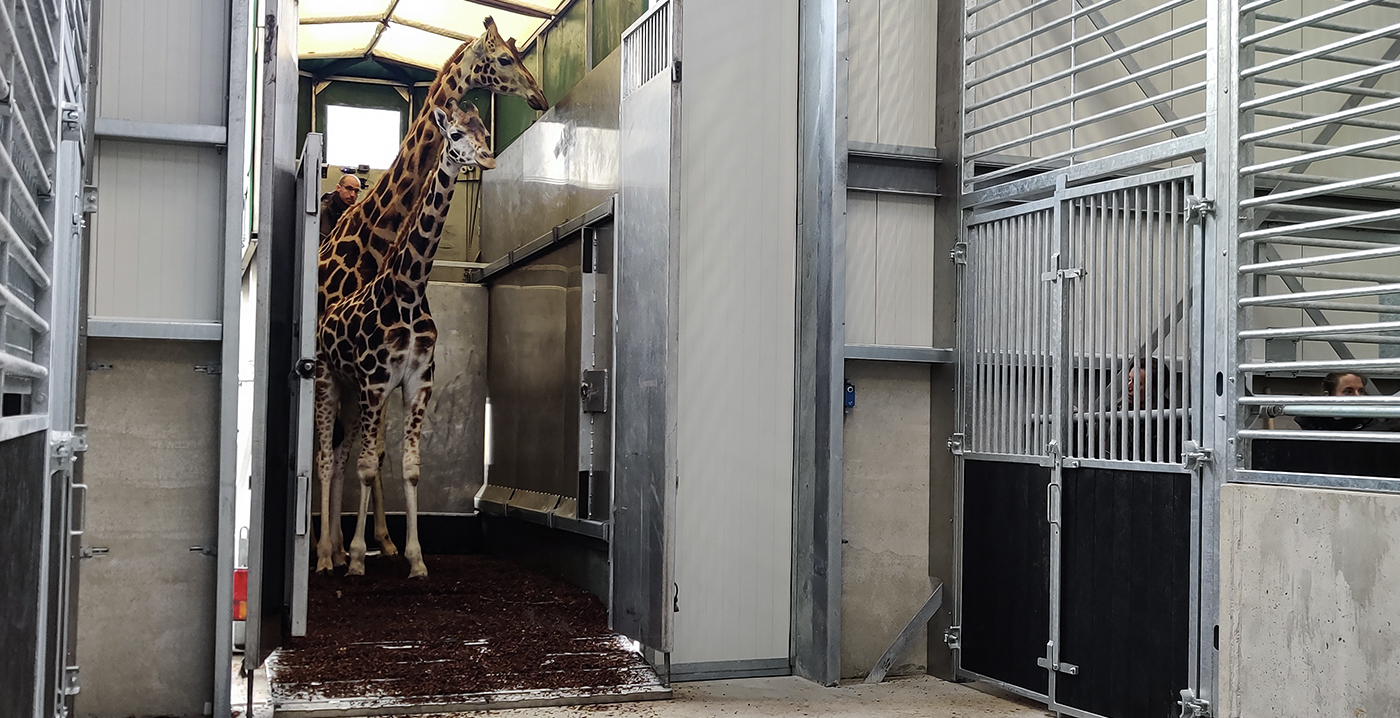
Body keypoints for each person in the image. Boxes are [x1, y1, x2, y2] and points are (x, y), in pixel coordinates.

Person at [1297, 372, 1372, 431]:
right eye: (1348, 392)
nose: (1357, 397)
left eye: (1361, 391)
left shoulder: (1372, 425)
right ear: (1328, 396)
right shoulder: (1310, 423)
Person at [320, 172, 362, 243]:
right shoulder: (323, 210)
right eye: (349, 188)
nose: (352, 195)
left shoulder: (355, 214)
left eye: (356, 191)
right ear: (338, 188)